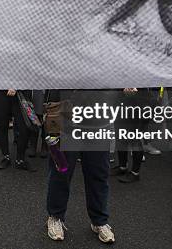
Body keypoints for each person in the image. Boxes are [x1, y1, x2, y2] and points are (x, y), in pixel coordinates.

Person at [45, 89, 114, 243]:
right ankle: (55, 217)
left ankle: (99, 221)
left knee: (98, 173)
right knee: (61, 172)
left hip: (98, 119)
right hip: (66, 118)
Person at [0, 89, 35, 171]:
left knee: (24, 126)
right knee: (2, 125)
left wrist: (15, 86)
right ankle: (5, 157)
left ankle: (20, 159)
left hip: (22, 90)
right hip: (0, 90)